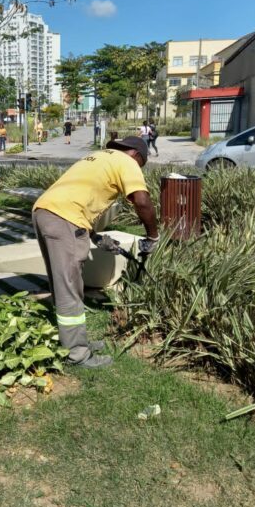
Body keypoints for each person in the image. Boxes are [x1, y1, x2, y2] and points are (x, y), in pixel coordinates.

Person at [32, 136, 159, 368]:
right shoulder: (127, 162)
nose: (138, 169)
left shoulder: (98, 157)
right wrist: (153, 236)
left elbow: (78, 198)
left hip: (45, 211)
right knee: (70, 287)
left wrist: (95, 237)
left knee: (63, 285)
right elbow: (142, 201)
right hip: (63, 219)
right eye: (141, 164)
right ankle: (77, 354)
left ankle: (73, 342)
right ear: (136, 155)